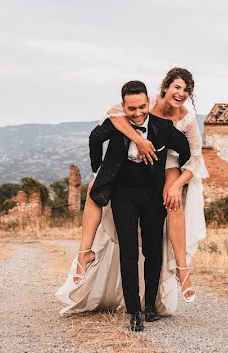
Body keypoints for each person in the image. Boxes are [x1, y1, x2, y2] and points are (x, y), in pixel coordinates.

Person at [58, 80, 190, 331]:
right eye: (132, 109)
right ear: (123, 107)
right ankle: (133, 311)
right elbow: (94, 138)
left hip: (153, 196)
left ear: (148, 103)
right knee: (128, 250)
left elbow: (185, 150)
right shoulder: (115, 125)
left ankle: (149, 306)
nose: (138, 113)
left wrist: (174, 180)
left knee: (153, 251)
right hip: (123, 194)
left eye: (142, 107)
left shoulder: (164, 128)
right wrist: (99, 169)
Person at [102, 67, 207, 302]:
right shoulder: (145, 104)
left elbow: (196, 158)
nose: (181, 93)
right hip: (143, 160)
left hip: (171, 162)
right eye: (177, 87)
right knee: (99, 189)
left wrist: (177, 185)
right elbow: (113, 114)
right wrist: (138, 139)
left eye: (186, 90)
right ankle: (85, 253)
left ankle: (183, 270)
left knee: (173, 202)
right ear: (166, 86)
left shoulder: (188, 119)